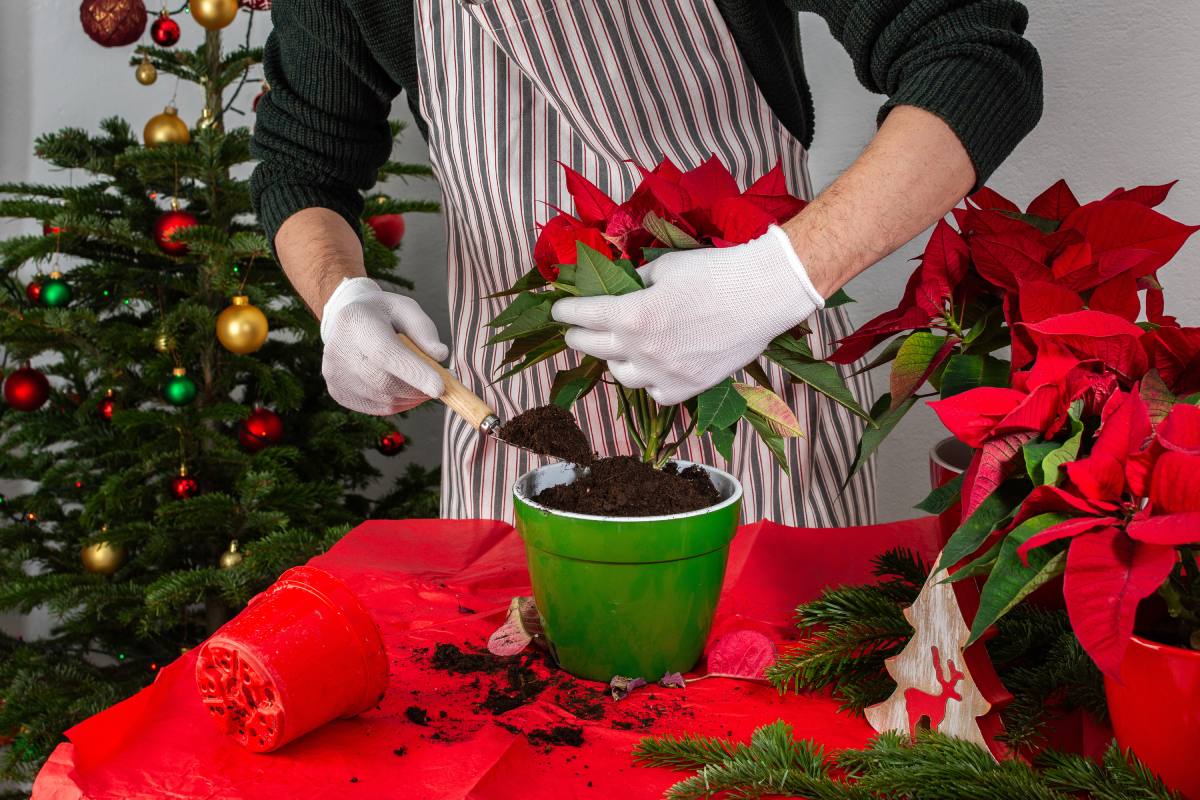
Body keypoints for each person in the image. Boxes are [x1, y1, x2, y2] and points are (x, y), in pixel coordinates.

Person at [251, 0, 1042, 524]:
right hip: (516, 428)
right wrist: (341, 298)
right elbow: (303, 158)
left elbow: (973, 56)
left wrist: (776, 278)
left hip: (755, 393)